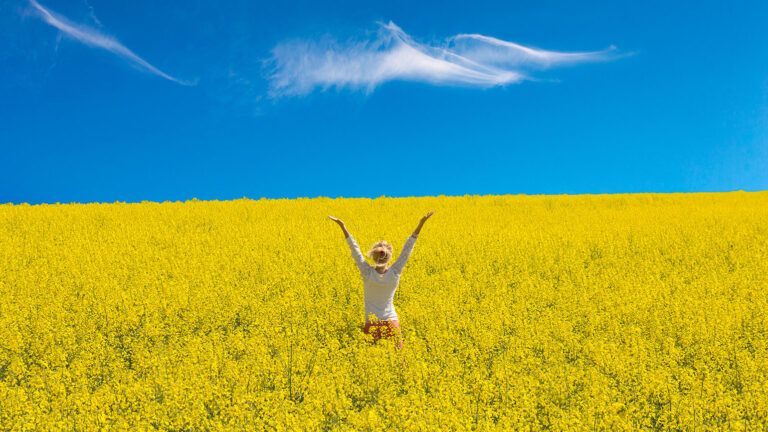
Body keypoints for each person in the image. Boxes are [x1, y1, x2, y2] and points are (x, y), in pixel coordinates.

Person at [328, 211, 434, 350]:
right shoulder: (395, 272)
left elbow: (355, 251)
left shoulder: (367, 273)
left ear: (373, 256)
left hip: (372, 324)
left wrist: (343, 227)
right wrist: (421, 224)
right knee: (400, 361)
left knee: (369, 362)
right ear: (389, 257)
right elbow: (407, 250)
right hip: (391, 323)